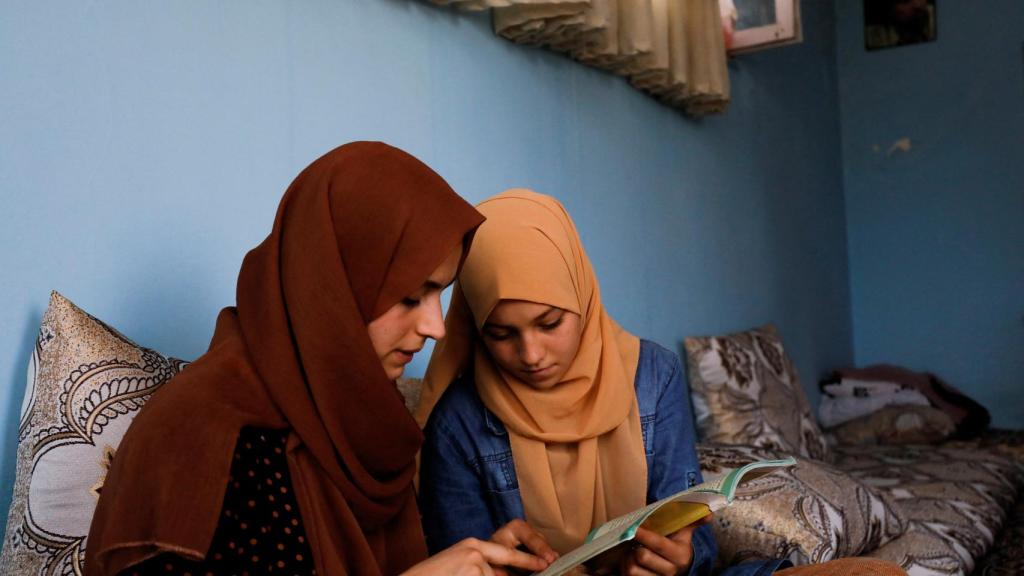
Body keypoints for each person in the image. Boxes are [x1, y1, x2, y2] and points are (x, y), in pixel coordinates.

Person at [86, 143, 557, 576]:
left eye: (441, 295)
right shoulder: (203, 436)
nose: (436, 327)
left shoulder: (360, 418)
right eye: (411, 297)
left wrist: (479, 561)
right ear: (331, 291)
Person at [415, 189, 908, 576]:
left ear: (582, 296)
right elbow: (458, 561)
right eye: (501, 335)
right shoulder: (457, 423)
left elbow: (694, 533)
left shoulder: (651, 375)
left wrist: (678, 560)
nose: (531, 355)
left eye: (550, 323)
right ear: (476, 328)